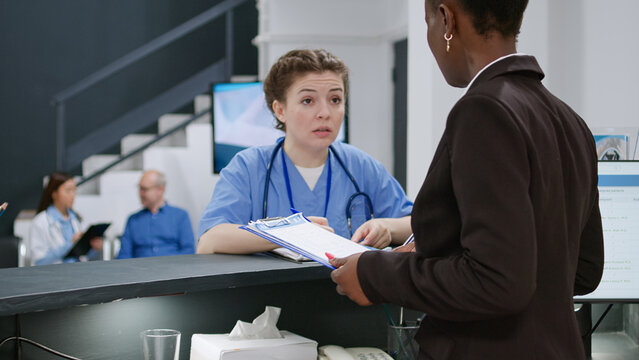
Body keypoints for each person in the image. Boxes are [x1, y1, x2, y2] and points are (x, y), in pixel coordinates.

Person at [328, 1, 605, 359]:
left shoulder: (484, 110)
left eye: (428, 21)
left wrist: (374, 273)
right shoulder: (570, 121)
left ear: (446, 19)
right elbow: (585, 271)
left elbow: (498, 281)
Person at [197, 49, 413, 255]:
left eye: (335, 100)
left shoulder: (360, 165)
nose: (325, 113)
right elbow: (209, 241)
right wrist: (289, 234)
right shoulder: (249, 166)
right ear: (280, 110)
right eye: (308, 101)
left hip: (347, 291)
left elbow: (417, 223)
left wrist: (386, 226)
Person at [117, 170, 195, 259]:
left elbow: (189, 251)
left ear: (160, 190)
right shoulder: (133, 220)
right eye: (139, 188)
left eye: (144, 189)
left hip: (173, 270)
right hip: (140, 271)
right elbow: (124, 255)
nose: (140, 193)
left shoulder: (181, 216)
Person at [29, 172, 103, 265]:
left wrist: (94, 248)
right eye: (68, 190)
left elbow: (83, 257)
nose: (73, 195)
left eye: (74, 190)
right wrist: (70, 245)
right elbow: (39, 261)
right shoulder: (40, 222)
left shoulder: (76, 219)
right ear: (54, 193)